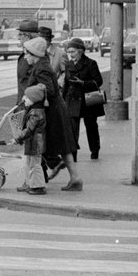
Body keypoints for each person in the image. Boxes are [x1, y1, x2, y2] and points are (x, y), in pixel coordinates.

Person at [24, 36, 82, 191]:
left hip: (52, 112)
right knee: (63, 146)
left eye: (27, 54)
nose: (25, 57)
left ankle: (35, 180)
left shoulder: (41, 67)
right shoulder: (41, 65)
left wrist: (31, 94)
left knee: (42, 145)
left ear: (35, 54)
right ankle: (74, 178)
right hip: (55, 110)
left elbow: (48, 89)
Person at [62, 37, 104, 159]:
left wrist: (83, 83)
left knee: (91, 126)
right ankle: (73, 153)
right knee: (72, 129)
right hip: (73, 99)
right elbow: (66, 83)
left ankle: (95, 151)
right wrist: (63, 101)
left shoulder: (91, 63)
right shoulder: (68, 64)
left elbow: (99, 81)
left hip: (88, 100)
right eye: (68, 52)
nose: (70, 55)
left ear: (80, 51)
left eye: (72, 52)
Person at [11, 84, 48, 194]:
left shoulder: (36, 113)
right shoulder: (34, 110)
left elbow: (29, 130)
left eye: (27, 97)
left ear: (34, 99)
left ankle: (38, 186)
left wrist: (17, 138)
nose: (24, 99)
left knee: (35, 165)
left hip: (36, 143)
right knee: (29, 163)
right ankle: (29, 183)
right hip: (32, 142)